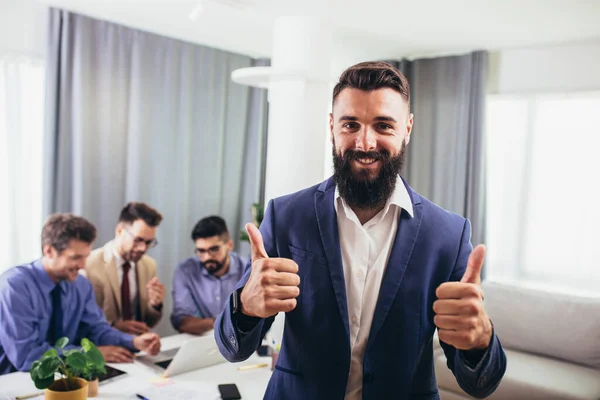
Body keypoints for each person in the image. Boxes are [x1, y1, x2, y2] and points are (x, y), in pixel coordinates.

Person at [215, 61, 507, 399]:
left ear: (408, 128)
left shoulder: (448, 235)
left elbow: (481, 384)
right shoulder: (286, 215)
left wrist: (480, 339)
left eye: (383, 125)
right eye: (351, 124)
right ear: (331, 127)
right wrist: (246, 307)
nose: (365, 143)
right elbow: (231, 348)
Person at [0, 214, 161, 374]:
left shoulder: (81, 285)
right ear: (48, 251)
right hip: (15, 379)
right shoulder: (14, 286)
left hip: (66, 375)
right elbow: (27, 356)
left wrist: (134, 342)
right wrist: (90, 354)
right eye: (76, 257)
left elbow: (97, 330)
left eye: (85, 257)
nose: (83, 265)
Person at [85, 202, 165, 335]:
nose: (143, 248)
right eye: (138, 240)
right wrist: (114, 326)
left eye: (149, 242)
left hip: (137, 348)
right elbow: (82, 322)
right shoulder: (89, 264)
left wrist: (155, 305)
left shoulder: (149, 265)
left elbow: (148, 322)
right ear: (120, 231)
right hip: (101, 349)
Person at [171, 216, 246, 335]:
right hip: (201, 340)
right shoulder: (185, 271)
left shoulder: (247, 270)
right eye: (201, 251)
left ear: (229, 245)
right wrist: (221, 322)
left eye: (214, 249)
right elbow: (182, 321)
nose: (207, 257)